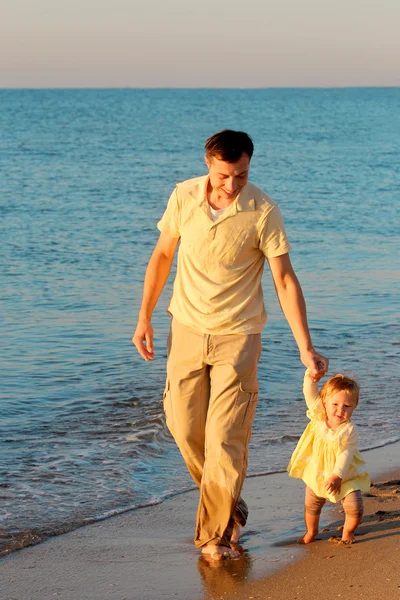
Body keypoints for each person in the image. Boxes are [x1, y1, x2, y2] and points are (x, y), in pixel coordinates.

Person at [132, 129, 328, 560]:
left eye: (241, 175)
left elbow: (284, 279)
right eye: (225, 176)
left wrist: (305, 346)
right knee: (183, 427)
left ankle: (214, 536)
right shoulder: (183, 196)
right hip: (184, 329)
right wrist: (144, 316)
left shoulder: (263, 211)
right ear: (208, 164)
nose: (233, 184)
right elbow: (163, 255)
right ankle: (229, 507)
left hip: (239, 336)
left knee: (225, 439)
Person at [288, 370, 371, 544]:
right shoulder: (319, 414)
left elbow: (346, 454)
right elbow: (309, 392)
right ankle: (311, 532)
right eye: (335, 404)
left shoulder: (349, 430)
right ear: (324, 401)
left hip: (345, 475)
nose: (340, 410)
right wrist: (311, 376)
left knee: (355, 507)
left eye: (347, 406)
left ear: (354, 406)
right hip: (317, 471)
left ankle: (348, 532)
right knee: (312, 504)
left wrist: (337, 475)